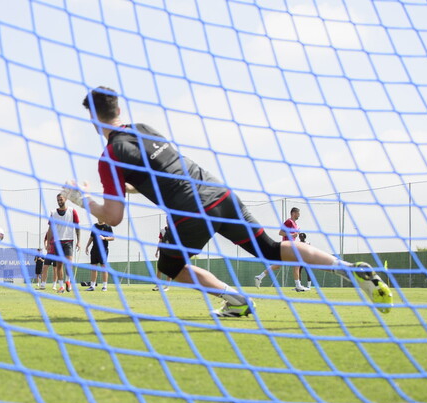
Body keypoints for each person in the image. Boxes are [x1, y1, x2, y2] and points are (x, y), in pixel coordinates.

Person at [68, 86, 392, 316]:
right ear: (119, 110)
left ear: (93, 119)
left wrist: (83, 199)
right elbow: (159, 176)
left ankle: (235, 300)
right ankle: (349, 270)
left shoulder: (110, 155)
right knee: (269, 248)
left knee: (170, 267)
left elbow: (113, 217)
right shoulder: (144, 128)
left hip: (190, 211)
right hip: (221, 193)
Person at [255, 207, 309, 291]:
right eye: (298, 213)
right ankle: (298, 286)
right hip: (287, 246)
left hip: (289, 246)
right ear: (293, 213)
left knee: (278, 265)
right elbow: (281, 233)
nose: (299, 215)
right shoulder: (289, 222)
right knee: (297, 264)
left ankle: (260, 277)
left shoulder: (295, 224)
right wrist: (292, 235)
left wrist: (295, 233)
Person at [48, 192, 81, 292]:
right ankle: (61, 286)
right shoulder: (53, 213)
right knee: (59, 265)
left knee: (69, 263)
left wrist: (79, 241)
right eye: (58, 200)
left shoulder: (72, 211)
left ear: (65, 199)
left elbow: (77, 227)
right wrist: (49, 243)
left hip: (68, 240)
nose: (59, 201)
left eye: (61, 199)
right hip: (57, 242)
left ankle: (68, 281)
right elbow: (50, 229)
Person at [84, 221, 113, 291]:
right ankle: (92, 286)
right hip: (94, 250)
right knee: (93, 268)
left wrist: (104, 238)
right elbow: (91, 237)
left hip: (103, 250)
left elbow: (112, 238)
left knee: (104, 268)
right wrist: (87, 246)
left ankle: (104, 286)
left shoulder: (107, 226)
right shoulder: (94, 226)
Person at [152, 226, 172, 291]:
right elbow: (160, 241)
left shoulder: (175, 230)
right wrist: (157, 251)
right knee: (159, 268)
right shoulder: (163, 231)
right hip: (163, 251)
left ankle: (167, 286)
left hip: (171, 252)